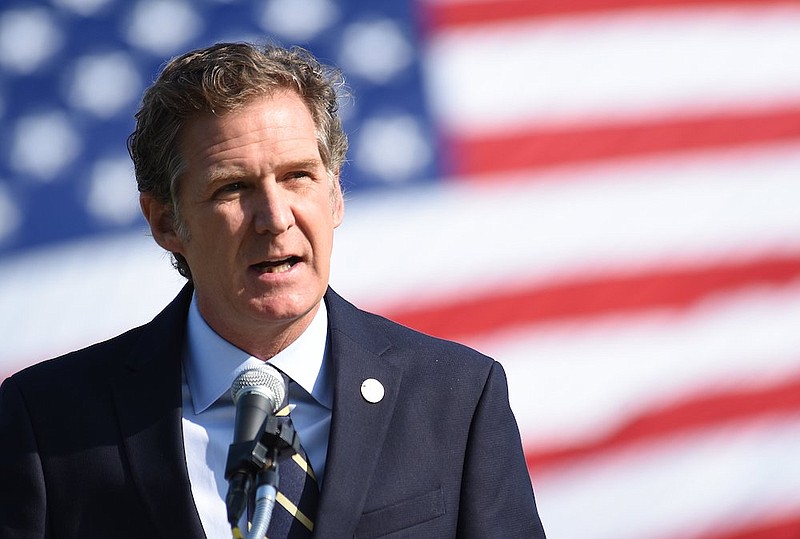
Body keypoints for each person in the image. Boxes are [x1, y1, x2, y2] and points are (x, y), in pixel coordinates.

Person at [0, 42, 546, 538]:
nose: (274, 218)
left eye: (298, 177)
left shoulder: (457, 399)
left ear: (335, 196)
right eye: (233, 187)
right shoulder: (43, 424)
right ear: (166, 222)